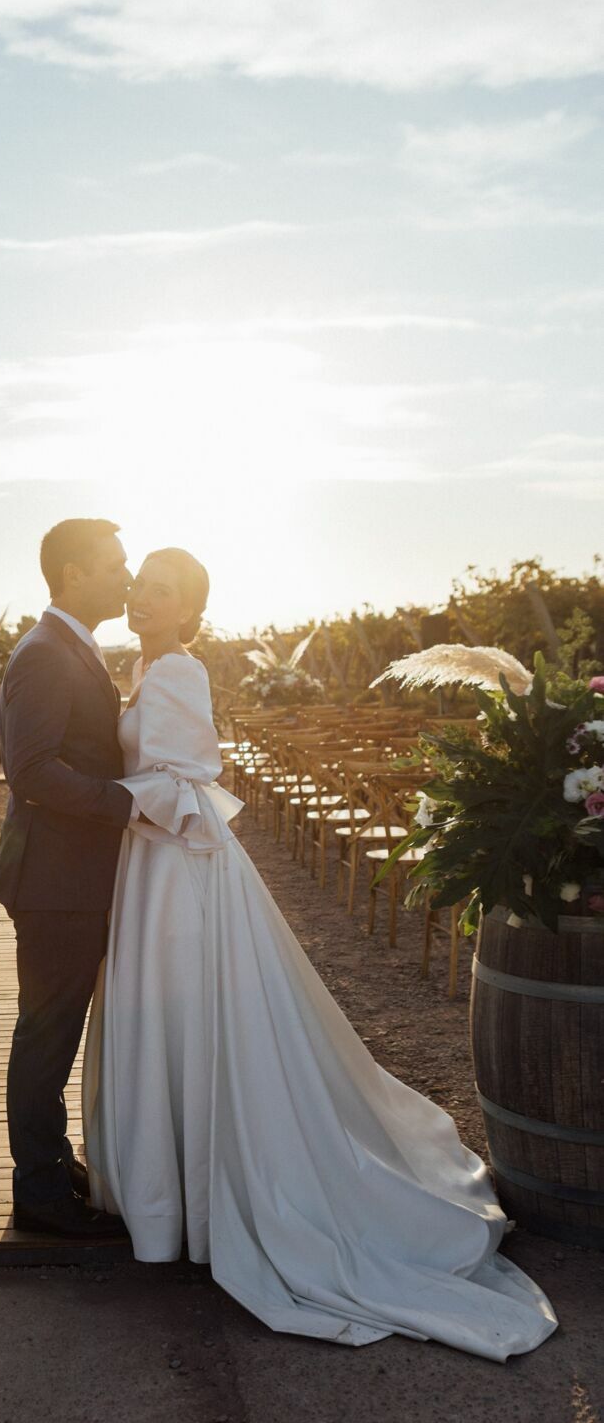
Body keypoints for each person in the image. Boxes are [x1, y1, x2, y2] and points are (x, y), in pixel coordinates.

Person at [82, 547, 558, 1360]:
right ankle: (170, 1192)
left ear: (189, 607)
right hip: (151, 860)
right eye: (137, 586)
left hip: (176, 863)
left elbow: (187, 777)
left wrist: (93, 798)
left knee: (189, 1010)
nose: (140, 599)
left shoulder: (178, 673)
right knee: (163, 1012)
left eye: (159, 592)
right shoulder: (142, 663)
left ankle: (202, 1201)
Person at [0, 518, 134, 1237]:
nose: (126, 576)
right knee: (45, 1035)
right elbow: (31, 771)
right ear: (73, 573)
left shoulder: (71, 645)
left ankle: (48, 1165)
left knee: (53, 1032)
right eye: (114, 564)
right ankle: (38, 1191)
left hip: (69, 874)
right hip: (55, 879)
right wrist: (127, 803)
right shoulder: (46, 653)